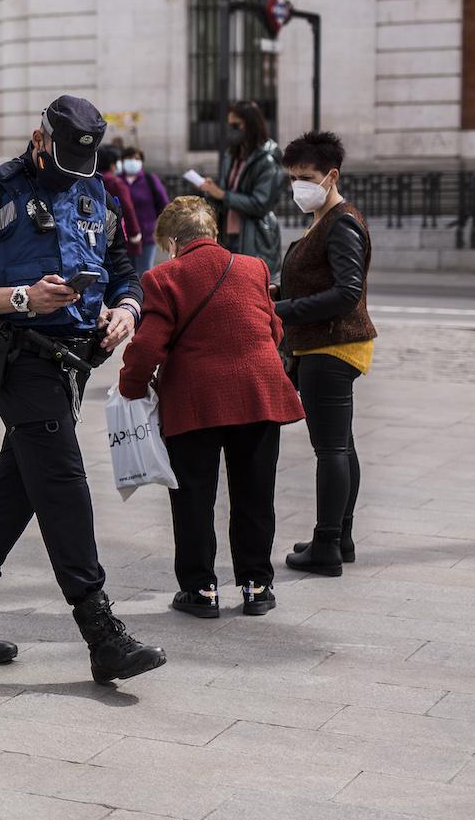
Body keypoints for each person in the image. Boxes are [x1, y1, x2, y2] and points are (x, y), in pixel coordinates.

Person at [0, 95, 166, 684]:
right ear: (41, 141)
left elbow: (121, 268)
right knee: (62, 484)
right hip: (20, 360)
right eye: (62, 161)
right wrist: (20, 298)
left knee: (19, 486)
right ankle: (100, 632)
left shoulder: (98, 193)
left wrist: (126, 310)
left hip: (74, 363)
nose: (72, 175)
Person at [118, 196, 304, 617]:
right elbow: (273, 328)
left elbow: (148, 345)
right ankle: (257, 587)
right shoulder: (253, 268)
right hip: (258, 396)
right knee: (255, 494)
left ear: (171, 241)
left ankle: (201, 591)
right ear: (213, 234)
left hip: (196, 403)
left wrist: (130, 386)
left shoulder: (164, 277)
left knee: (194, 498)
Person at [275, 131, 376, 577]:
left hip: (331, 344)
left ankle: (326, 545)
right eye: (293, 177)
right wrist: (279, 290)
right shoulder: (323, 218)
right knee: (342, 446)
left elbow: (347, 292)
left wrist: (281, 308)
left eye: (307, 177)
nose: (298, 185)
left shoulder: (342, 221)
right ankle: (340, 536)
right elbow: (318, 280)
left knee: (330, 448)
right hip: (325, 343)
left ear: (331, 176)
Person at [197, 101, 283, 276]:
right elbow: (223, 194)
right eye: (230, 125)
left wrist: (222, 195)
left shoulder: (267, 160)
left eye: (236, 125)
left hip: (255, 238)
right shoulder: (232, 156)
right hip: (228, 235)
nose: (232, 130)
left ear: (250, 124)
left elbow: (261, 204)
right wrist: (211, 191)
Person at [120, 147, 170, 275]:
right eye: (129, 158)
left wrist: (159, 226)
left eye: (136, 159)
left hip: (146, 236)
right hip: (122, 237)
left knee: (144, 272)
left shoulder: (150, 180)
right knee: (125, 273)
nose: (133, 161)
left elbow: (164, 204)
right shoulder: (117, 181)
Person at [97, 145, 144, 261]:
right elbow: (128, 209)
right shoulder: (116, 183)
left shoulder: (93, 181)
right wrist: (134, 233)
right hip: (119, 237)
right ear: (113, 164)